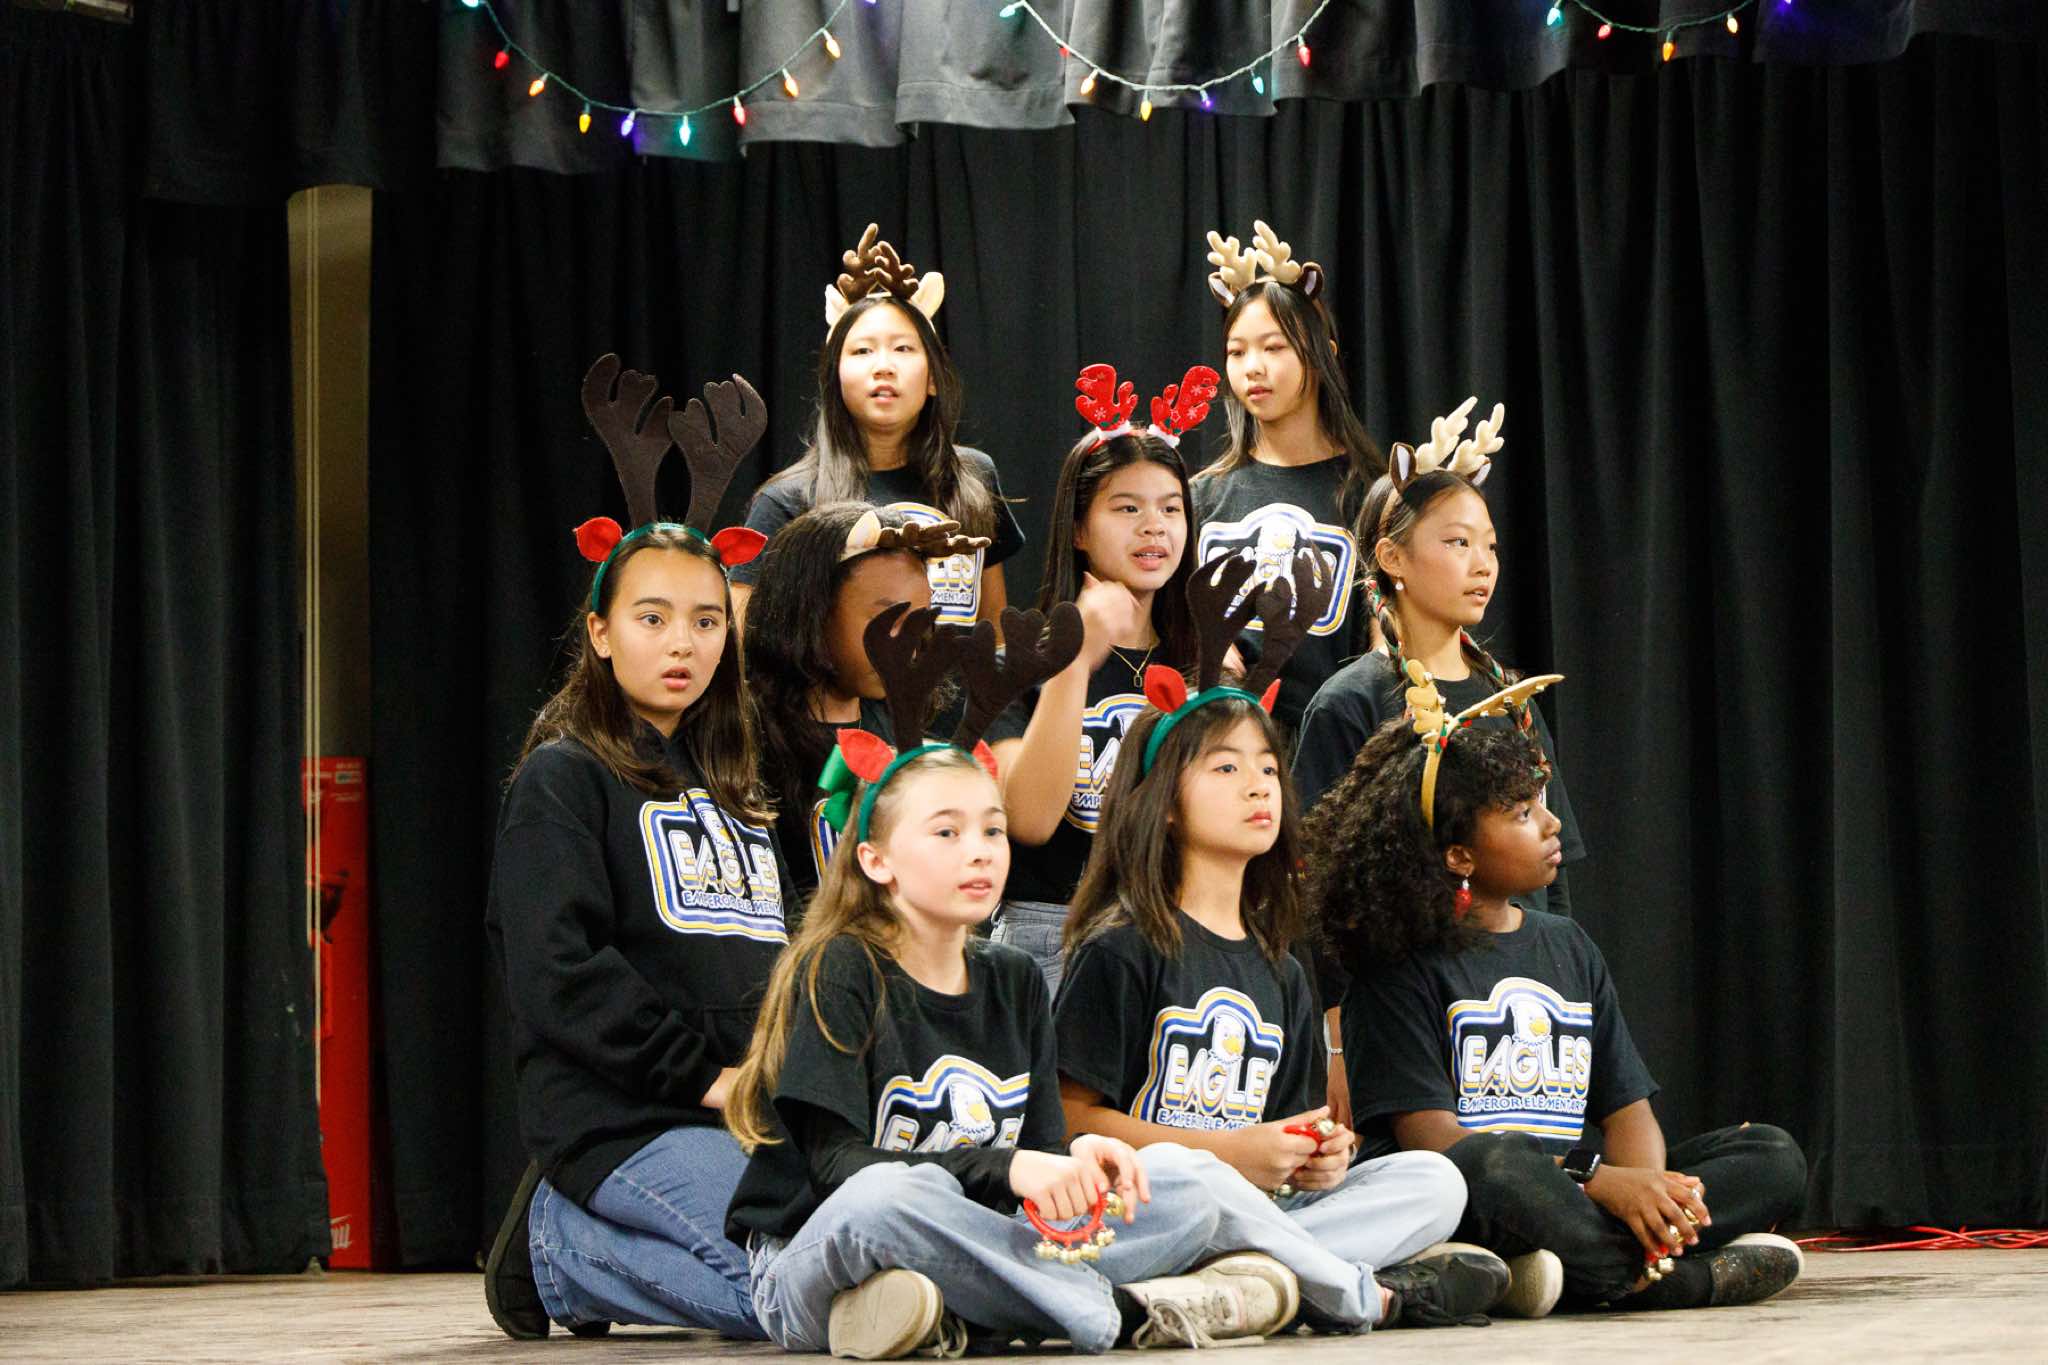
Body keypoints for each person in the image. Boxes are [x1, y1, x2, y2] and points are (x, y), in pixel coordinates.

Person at [726, 601, 1375, 1355]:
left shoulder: (1013, 976)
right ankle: (1116, 1308)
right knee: (894, 1193)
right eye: (947, 832)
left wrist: (1083, 1166)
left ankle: (960, 1309)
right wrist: (1014, 1168)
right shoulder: (839, 965)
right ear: (875, 859)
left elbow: (1042, 1159)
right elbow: (838, 1168)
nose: (980, 850)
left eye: (993, 829)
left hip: (985, 1241)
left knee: (1184, 1186)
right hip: (817, 1252)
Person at [1053, 551, 1507, 1331]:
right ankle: (1359, 1292)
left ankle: (1250, 1282)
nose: (1260, 785)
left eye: (1268, 767)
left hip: (1258, 1214)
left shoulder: (1282, 966)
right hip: (1149, 1210)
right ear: (1166, 805)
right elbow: (1067, 1123)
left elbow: (1287, 1135)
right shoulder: (1121, 946)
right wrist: (1229, 1154)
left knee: (1435, 1181)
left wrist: (1315, 1154)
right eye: (1226, 768)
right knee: (1187, 1173)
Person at [1302, 665, 1808, 1317]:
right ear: (1459, 855)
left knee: (1771, 1154)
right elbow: (1438, 1143)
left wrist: (1648, 1191)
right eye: (1522, 813)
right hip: (1489, 1200)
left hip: (1576, 1200)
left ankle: (1597, 1266)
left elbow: (1627, 1111)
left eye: (1542, 803)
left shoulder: (1567, 943)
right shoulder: (1397, 966)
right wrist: (1598, 1181)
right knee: (1498, 1161)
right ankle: (1672, 1281)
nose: (1550, 824)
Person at [483, 356, 786, 1339]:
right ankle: (556, 1251)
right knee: (790, 1284)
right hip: (626, 1116)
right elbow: (559, 973)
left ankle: (587, 1248)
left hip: (741, 1115)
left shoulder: (741, 788)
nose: (682, 642)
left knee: (854, 1243)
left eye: (705, 620)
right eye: (652, 618)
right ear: (602, 632)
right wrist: (703, 1077)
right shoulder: (563, 779)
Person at [986, 363, 1213, 991]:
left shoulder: (1207, 664)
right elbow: (1028, 819)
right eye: (1127, 508)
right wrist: (1075, 659)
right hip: (1052, 939)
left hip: (1178, 933)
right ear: (1079, 530)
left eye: (1171, 508)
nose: (1154, 526)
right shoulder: (1021, 659)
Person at [729, 224, 1023, 633]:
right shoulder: (787, 501)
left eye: (903, 348)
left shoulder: (973, 476)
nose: (883, 365)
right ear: (835, 378)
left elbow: (994, 635)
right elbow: (742, 644)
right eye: (863, 350)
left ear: (933, 378)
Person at [1190, 221, 1385, 733]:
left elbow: (1387, 642)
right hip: (1222, 746)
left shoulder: (1371, 494)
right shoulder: (1200, 497)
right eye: (1236, 352)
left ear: (1322, 355)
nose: (1252, 367)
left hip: (1335, 747)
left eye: (1273, 347)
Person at [743, 502, 986, 906]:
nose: (906, 643)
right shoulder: (744, 738)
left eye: (919, 621)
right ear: (811, 610)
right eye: (887, 619)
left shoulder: (903, 730)